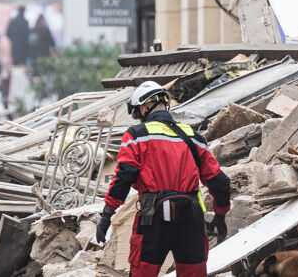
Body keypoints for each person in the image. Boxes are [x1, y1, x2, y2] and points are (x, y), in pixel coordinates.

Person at [94, 81, 231, 276]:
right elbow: (219, 182)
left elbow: (124, 176)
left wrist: (107, 213)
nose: (138, 119)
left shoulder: (136, 135)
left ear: (143, 108)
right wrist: (220, 214)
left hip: (152, 216)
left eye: (137, 114)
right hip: (191, 217)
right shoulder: (195, 137)